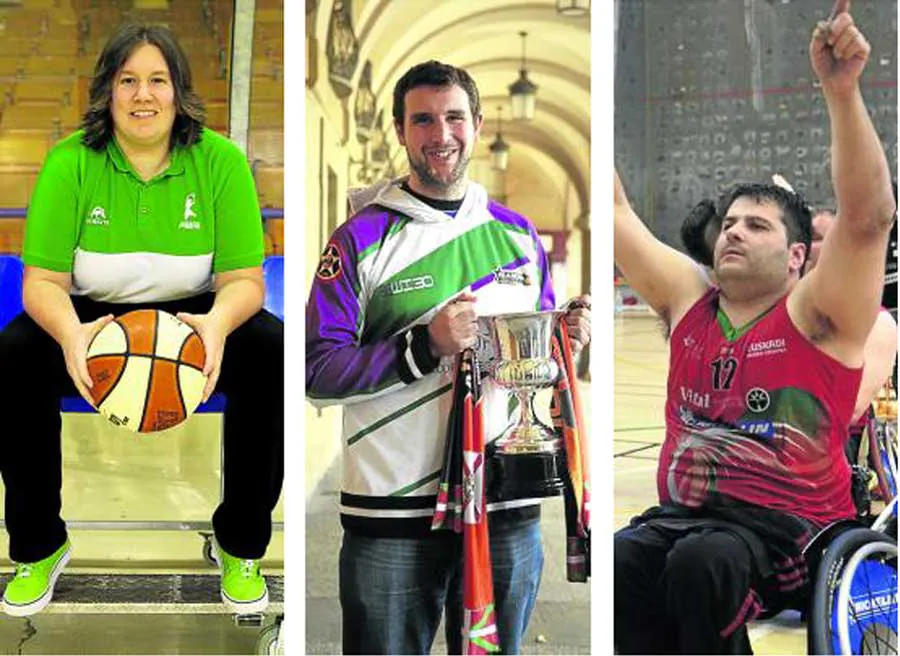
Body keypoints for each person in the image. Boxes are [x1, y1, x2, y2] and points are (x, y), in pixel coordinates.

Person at [613, 2, 895, 653]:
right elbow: (615, 207)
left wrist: (842, 91)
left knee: (702, 566)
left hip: (786, 534)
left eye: (758, 225)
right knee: (625, 559)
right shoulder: (690, 301)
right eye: (731, 222)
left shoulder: (817, 316)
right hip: (684, 520)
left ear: (797, 257)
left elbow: (867, 219)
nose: (736, 230)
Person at [306, 60, 591, 655]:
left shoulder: (518, 238)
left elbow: (529, 362)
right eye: (424, 120)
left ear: (478, 123)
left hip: (504, 499)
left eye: (454, 117)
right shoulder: (357, 239)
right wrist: (422, 346)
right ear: (400, 130)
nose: (441, 134)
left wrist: (563, 340)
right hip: (390, 505)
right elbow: (316, 369)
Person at [0, 24, 284, 617]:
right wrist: (74, 335)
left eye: (157, 80)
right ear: (107, 91)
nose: (143, 95)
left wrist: (215, 326)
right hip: (92, 318)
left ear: (179, 91)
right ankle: (39, 546)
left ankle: (239, 543)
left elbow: (245, 284)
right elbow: (41, 286)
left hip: (194, 315)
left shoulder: (221, 162)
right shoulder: (70, 161)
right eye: (128, 80)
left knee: (270, 351)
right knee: (16, 353)